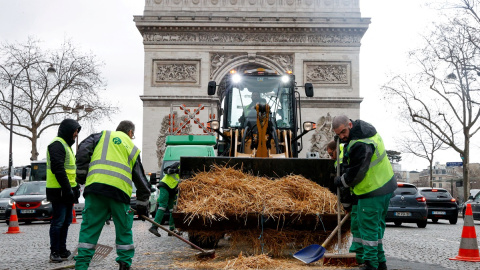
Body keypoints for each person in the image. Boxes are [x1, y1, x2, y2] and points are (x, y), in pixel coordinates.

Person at [74, 120, 151, 270]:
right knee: (123, 229)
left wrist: (82, 175)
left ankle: (81, 265)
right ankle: (124, 264)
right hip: (119, 193)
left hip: (95, 189)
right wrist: (142, 206)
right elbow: (141, 180)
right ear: (130, 133)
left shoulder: (101, 136)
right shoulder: (131, 147)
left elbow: (83, 149)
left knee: (89, 230)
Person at [332, 115, 396, 270]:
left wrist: (341, 181)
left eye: (343, 132)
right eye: (339, 134)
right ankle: (380, 262)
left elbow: (356, 173)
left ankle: (370, 264)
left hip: (372, 190)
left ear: (350, 124)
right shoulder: (367, 132)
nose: (342, 136)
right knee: (376, 227)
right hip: (384, 186)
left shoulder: (360, 144)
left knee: (368, 228)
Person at [46, 118, 81, 263]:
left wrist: (76, 187)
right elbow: (58, 169)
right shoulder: (57, 145)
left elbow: (71, 172)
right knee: (58, 222)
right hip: (59, 190)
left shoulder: (66, 146)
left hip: (66, 190)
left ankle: (62, 249)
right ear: (68, 130)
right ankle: (55, 251)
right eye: (75, 131)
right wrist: (68, 189)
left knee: (66, 222)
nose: (76, 134)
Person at [148, 162, 180, 237]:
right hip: (165, 186)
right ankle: (154, 227)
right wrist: (174, 170)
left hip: (173, 190)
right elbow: (165, 170)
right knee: (163, 206)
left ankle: (171, 229)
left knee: (173, 209)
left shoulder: (187, 173)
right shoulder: (178, 164)